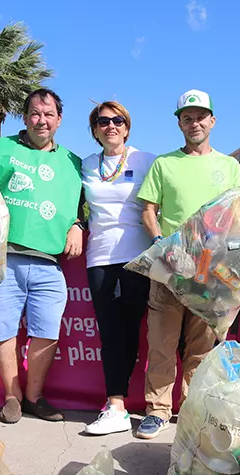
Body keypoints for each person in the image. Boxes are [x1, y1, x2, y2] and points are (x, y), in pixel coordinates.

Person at [136, 89, 240, 439]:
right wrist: (159, 243)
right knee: (161, 343)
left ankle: (192, 411)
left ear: (212, 121)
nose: (194, 122)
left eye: (201, 116)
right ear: (179, 123)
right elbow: (148, 211)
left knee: (200, 348)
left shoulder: (229, 166)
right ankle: (157, 410)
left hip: (211, 271)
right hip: (170, 267)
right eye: (187, 117)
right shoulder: (164, 164)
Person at [0, 88, 84, 424]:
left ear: (59, 119)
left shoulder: (73, 163)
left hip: (49, 262)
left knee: (47, 332)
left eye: (49, 114)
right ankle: (11, 397)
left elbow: (85, 206)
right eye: (35, 113)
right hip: (4, 259)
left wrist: (78, 225)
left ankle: (34, 397)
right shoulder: (0, 149)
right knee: (2, 328)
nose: (42, 120)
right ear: (25, 117)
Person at [80, 102, 155, 435]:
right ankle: (116, 406)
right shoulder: (82, 165)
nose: (111, 126)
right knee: (109, 333)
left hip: (139, 257)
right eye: (103, 121)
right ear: (95, 130)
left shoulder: (147, 161)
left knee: (131, 329)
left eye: (118, 120)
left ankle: (127, 402)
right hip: (99, 256)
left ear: (127, 127)